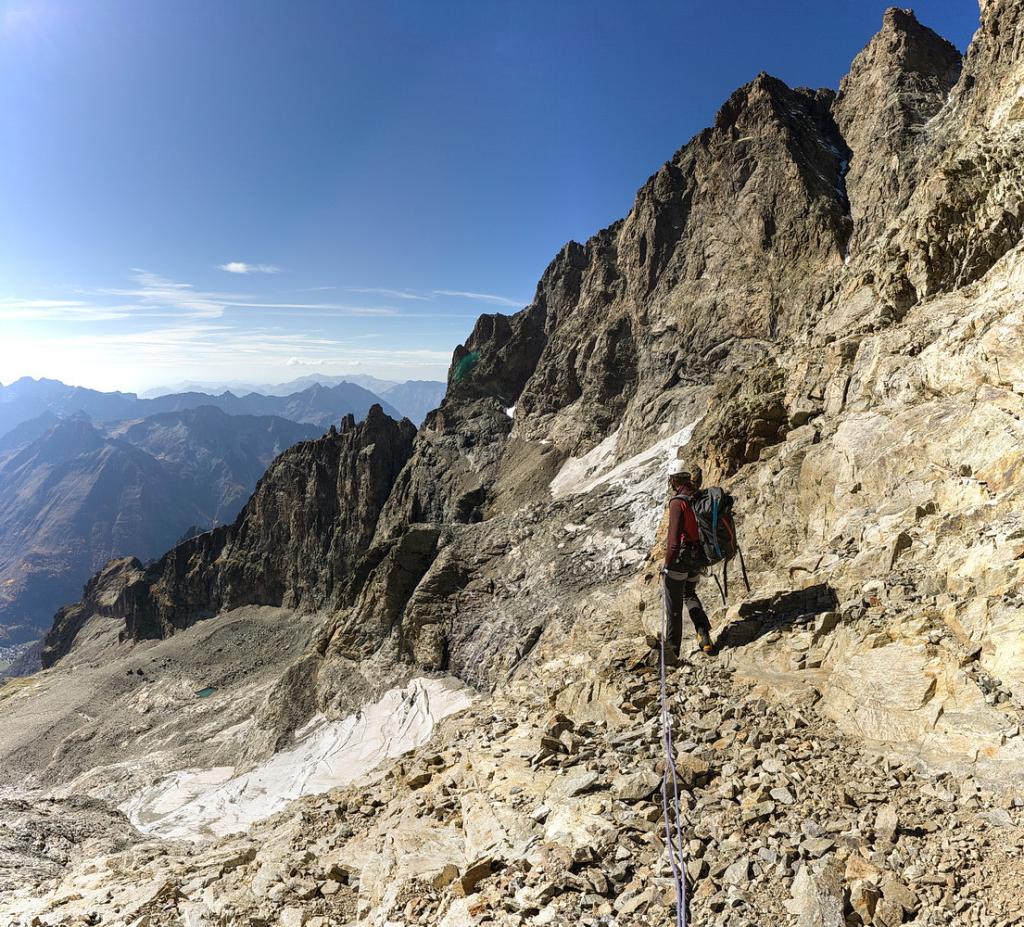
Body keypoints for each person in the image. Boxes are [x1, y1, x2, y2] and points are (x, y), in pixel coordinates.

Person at [662, 463, 714, 656]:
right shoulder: (698, 496)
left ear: (674, 480)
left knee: (673, 606)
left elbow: (674, 542)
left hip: (681, 559)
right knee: (689, 594)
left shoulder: (678, 502)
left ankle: (672, 652)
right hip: (698, 558)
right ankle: (703, 634)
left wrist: (666, 565)